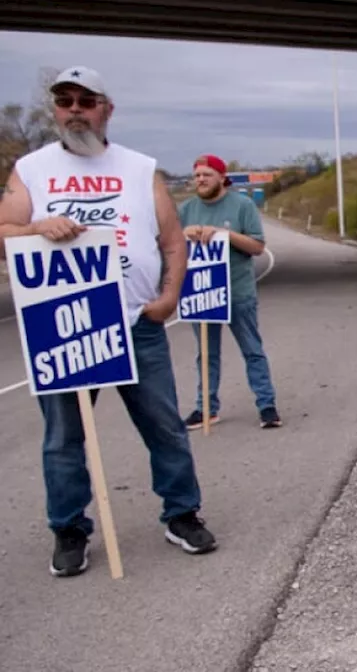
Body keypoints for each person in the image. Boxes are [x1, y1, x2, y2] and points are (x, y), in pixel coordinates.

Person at [0, 66, 218, 577]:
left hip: (137, 323)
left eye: (86, 100)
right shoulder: (31, 169)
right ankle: (69, 528)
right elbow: (4, 230)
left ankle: (181, 514)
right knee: (63, 437)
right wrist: (35, 227)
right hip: (65, 325)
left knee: (164, 426)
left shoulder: (140, 169)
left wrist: (169, 297)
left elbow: (172, 241)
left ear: (106, 109)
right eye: (65, 100)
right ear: (55, 109)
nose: (75, 109)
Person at [178, 154, 282, 429]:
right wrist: (183, 234)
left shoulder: (242, 206)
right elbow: (170, 247)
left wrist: (222, 234)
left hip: (237, 291)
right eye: (197, 175)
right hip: (202, 292)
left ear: (222, 178)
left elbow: (257, 247)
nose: (201, 179)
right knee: (206, 353)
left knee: (252, 350)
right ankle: (206, 408)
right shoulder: (186, 209)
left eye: (207, 174)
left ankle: (266, 405)